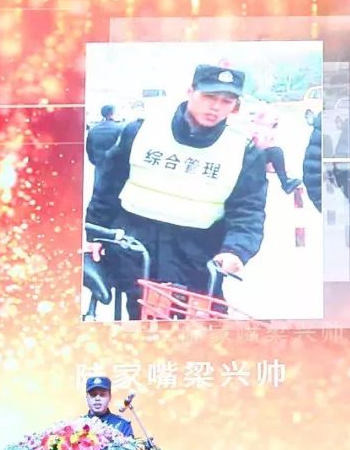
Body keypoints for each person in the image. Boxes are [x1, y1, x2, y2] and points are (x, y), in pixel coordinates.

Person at [84, 64, 269, 319]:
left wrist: (236, 251)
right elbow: (107, 186)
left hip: (200, 257)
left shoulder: (243, 151)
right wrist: (95, 234)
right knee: (145, 327)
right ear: (190, 91)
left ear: (235, 107)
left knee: (205, 331)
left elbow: (248, 210)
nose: (216, 107)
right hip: (137, 250)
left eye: (226, 101)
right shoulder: (141, 131)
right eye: (209, 97)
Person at [247, 105, 302, 195]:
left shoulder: (270, 130)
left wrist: (278, 168)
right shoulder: (253, 129)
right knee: (275, 151)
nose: (276, 119)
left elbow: (269, 150)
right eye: (274, 117)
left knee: (276, 151)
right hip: (248, 158)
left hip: (259, 157)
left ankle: (285, 182)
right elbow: (257, 146)